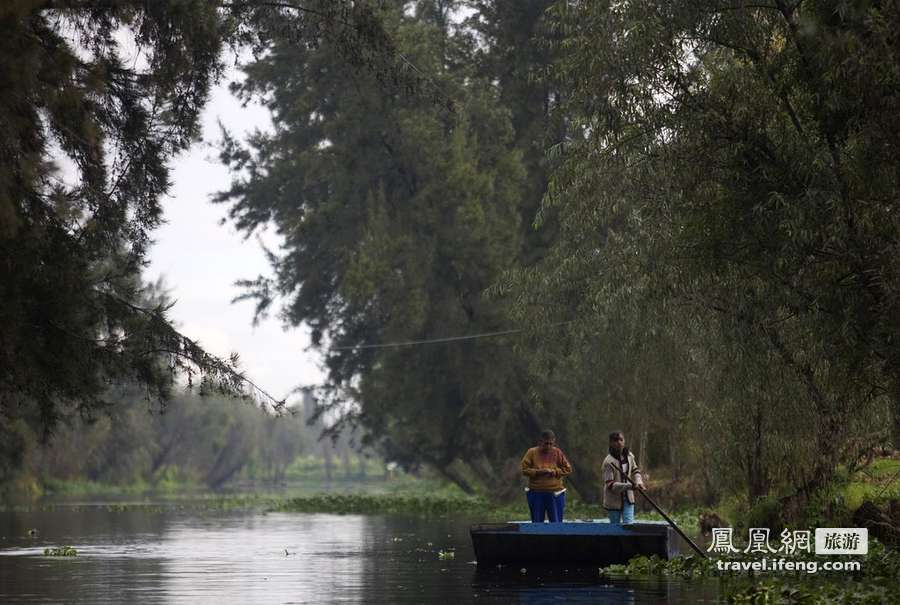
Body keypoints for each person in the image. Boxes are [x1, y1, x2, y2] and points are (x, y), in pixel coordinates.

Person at [521, 430, 573, 522]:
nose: (548, 446)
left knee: (556, 523)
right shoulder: (532, 452)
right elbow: (524, 470)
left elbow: (568, 469)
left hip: (555, 493)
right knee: (537, 522)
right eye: (546, 443)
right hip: (536, 492)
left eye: (551, 443)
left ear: (554, 442)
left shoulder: (557, 452)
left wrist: (554, 472)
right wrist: (538, 472)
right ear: (540, 442)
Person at [602, 430, 644, 524]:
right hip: (613, 501)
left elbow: (635, 470)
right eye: (616, 440)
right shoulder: (608, 462)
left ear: (624, 441)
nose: (619, 443)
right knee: (615, 528)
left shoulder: (630, 456)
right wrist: (629, 486)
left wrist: (639, 482)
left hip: (628, 498)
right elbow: (610, 485)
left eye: (621, 440)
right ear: (611, 443)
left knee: (629, 525)